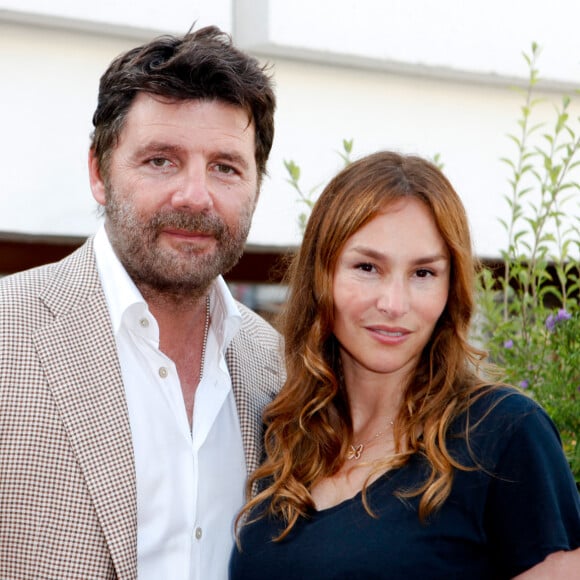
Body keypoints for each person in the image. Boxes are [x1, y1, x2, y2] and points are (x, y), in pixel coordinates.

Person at [0, 25, 284, 580]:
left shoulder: (276, 366)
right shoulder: (8, 332)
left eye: (225, 167)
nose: (195, 196)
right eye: (161, 161)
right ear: (98, 173)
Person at [230, 151, 580, 579]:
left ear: (451, 289)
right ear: (322, 276)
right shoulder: (283, 432)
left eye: (424, 273)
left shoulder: (503, 435)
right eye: (367, 267)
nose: (394, 304)